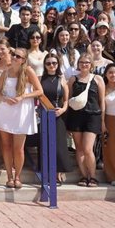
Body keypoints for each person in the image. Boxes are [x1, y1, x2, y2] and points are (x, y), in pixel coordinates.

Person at [0, 47, 43, 188]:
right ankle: (9, 176)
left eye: (18, 56)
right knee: (6, 146)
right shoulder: (6, 72)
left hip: (22, 112)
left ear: (23, 60)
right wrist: (4, 98)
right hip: (6, 111)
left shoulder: (28, 71)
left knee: (18, 148)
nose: (14, 57)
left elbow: (40, 90)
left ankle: (18, 177)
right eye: (13, 55)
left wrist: (23, 96)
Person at [66, 53, 106, 188]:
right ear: (78, 64)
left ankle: (92, 176)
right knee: (79, 148)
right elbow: (69, 99)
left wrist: (103, 120)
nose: (84, 65)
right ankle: (84, 175)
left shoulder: (98, 79)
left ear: (91, 65)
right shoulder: (72, 79)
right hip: (76, 116)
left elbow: (102, 101)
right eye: (82, 62)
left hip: (93, 116)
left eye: (87, 63)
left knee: (88, 148)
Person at [40, 52, 73, 185]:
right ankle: (46, 172)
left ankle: (58, 172)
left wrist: (63, 110)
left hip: (58, 114)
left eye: (54, 63)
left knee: (59, 144)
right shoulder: (40, 78)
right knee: (45, 144)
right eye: (48, 63)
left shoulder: (62, 79)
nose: (51, 65)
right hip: (43, 114)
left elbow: (66, 100)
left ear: (58, 64)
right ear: (45, 65)